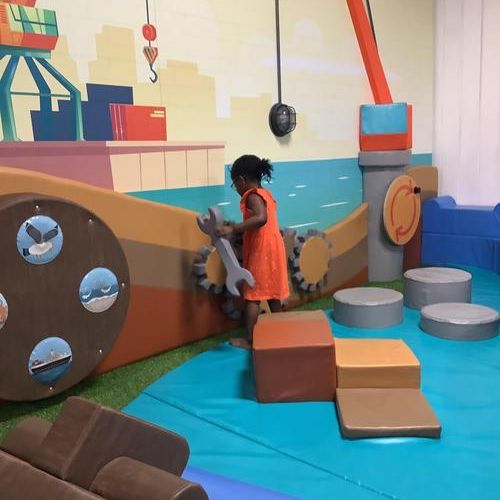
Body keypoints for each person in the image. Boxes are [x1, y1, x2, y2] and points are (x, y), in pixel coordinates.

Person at [216, 154, 289, 348]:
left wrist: (233, 229)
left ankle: (250, 339)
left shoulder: (252, 196)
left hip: (262, 250)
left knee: (252, 295)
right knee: (272, 293)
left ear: (241, 180)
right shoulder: (266, 193)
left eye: (235, 184)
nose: (236, 189)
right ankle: (282, 330)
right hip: (274, 248)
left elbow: (261, 218)